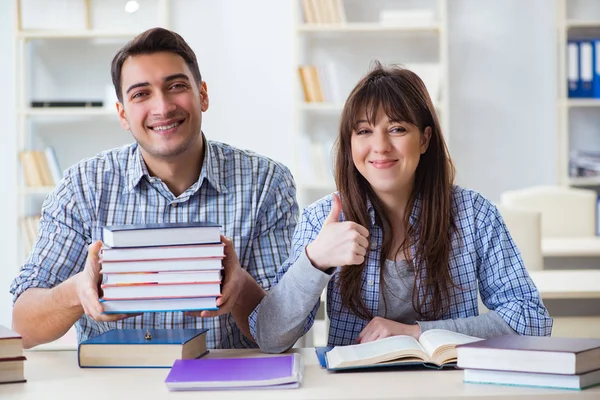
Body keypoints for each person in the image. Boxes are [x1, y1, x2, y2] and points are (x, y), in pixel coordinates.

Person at [10, 27, 298, 349]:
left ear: (202, 95)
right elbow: (24, 327)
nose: (162, 107)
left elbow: (283, 335)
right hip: (114, 387)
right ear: (122, 113)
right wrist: (78, 290)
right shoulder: (83, 186)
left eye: (176, 86)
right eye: (140, 94)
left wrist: (239, 286)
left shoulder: (265, 183)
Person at [250, 62, 553, 353]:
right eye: (364, 131)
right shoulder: (322, 219)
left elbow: (532, 320)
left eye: (396, 129)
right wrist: (315, 260)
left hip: (450, 386)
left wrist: (418, 333)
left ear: (424, 139)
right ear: (350, 143)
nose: (380, 146)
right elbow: (269, 337)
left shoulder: (474, 214)